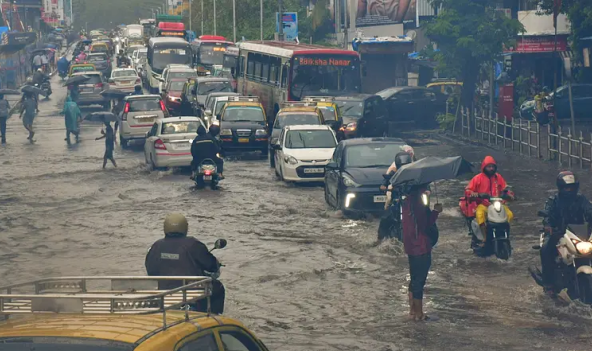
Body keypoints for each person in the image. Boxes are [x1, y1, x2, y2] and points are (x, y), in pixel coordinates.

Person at [145, 213, 225, 314]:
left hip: (163, 294)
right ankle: (215, 319)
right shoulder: (193, 244)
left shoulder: (156, 246)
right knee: (218, 287)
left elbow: (150, 269)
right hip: (190, 295)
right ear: (185, 227)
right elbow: (211, 266)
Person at [539, 171, 592, 296]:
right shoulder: (554, 200)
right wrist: (548, 225)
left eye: (572, 187)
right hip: (558, 233)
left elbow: (589, 211)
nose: (569, 190)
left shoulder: (581, 199)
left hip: (579, 233)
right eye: (567, 187)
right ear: (561, 188)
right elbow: (547, 214)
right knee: (546, 249)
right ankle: (548, 284)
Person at [402, 184, 442, 321]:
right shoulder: (418, 204)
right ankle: (419, 314)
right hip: (421, 246)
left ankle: (412, 311)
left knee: (414, 279)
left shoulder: (406, 202)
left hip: (411, 247)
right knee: (419, 280)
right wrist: (436, 212)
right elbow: (425, 224)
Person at [465, 156, 514, 245]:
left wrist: (509, 194)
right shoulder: (477, 178)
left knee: (509, 215)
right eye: (489, 166)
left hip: (498, 204)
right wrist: (474, 194)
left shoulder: (498, 177)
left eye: (492, 166)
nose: (491, 168)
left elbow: (506, 188)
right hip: (484, 204)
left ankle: (505, 234)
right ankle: (484, 237)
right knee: (480, 215)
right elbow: (468, 190)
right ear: (484, 167)